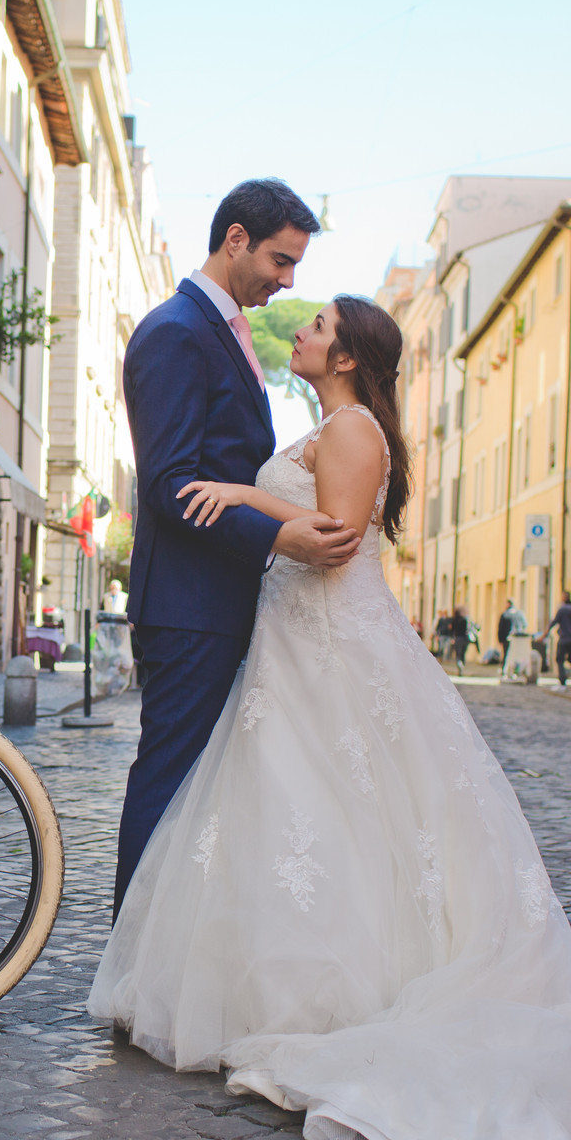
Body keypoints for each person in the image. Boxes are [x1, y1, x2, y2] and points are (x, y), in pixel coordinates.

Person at [90, 293, 571, 1140]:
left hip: (330, 640)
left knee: (337, 802)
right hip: (301, 642)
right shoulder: (343, 423)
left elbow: (329, 540)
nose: (301, 330)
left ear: (344, 356)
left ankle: (336, 995)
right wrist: (250, 496)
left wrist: (242, 497)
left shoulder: (351, 432)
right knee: (307, 807)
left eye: (320, 326)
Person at [115, 179, 357, 917]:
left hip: (218, 599)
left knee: (200, 789)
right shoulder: (176, 332)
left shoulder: (219, 331)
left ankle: (169, 959)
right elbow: (171, 483)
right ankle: (131, 959)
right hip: (189, 605)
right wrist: (277, 532)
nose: (288, 281)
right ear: (235, 240)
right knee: (171, 779)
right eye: (281, 262)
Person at [545, 590, 571, 687]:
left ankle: (562, 679)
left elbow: (553, 622)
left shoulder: (562, 610)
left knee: (560, 659)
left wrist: (544, 634)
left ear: (564, 598)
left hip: (563, 638)